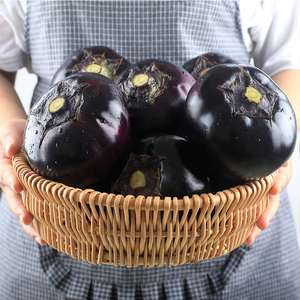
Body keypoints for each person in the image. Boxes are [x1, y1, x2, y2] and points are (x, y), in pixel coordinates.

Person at [0, 1, 299, 299]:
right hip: (52, 213)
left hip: (237, 233)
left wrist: (274, 153)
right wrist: (9, 125)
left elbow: (290, 62)